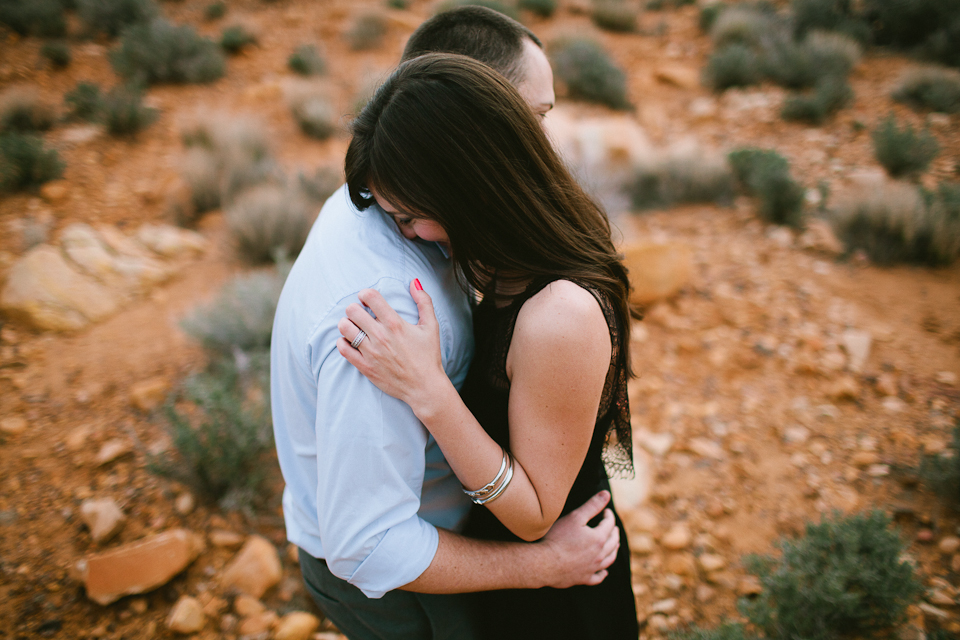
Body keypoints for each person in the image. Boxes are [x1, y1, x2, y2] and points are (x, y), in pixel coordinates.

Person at [270, 8, 620, 640]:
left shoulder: (554, 307)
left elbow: (537, 511)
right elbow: (368, 543)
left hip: (557, 572)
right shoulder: (393, 302)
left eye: (409, 215)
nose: (398, 227)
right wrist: (538, 563)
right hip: (483, 566)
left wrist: (432, 395)